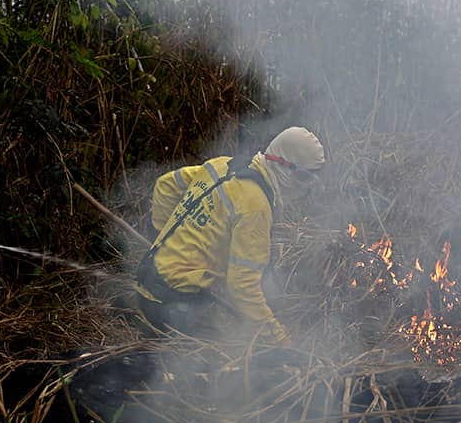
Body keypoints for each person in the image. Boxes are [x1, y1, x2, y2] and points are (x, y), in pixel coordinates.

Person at [135, 126, 325, 344]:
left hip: (146, 283)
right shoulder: (256, 207)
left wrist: (168, 240)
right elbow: (242, 286)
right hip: (174, 304)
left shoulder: (222, 165)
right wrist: (280, 339)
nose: (306, 189)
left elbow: (165, 185)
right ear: (284, 166)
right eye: (304, 178)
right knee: (226, 358)